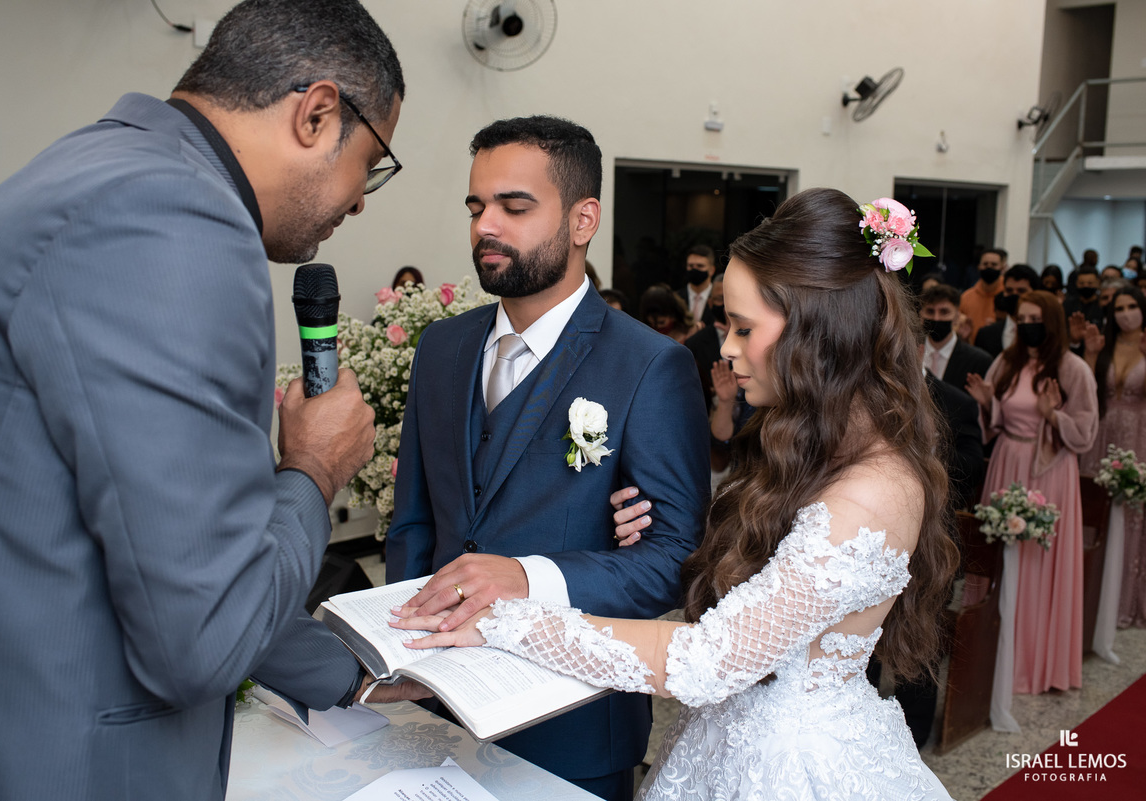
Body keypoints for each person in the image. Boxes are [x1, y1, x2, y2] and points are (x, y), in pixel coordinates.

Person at [0, 3, 418, 799]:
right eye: (370, 164)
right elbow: (203, 636)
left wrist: (355, 674)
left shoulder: (101, 170)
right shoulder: (176, 219)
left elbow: (163, 546)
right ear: (316, 114)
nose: (361, 200)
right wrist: (313, 468)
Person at [398, 188, 959, 800]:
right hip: (731, 742)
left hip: (793, 769)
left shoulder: (874, 492)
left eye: (744, 328)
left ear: (820, 332)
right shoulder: (811, 448)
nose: (727, 347)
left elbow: (707, 661)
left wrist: (506, 621)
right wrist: (637, 534)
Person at [384, 115, 709, 801]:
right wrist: (403, 647)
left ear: (583, 219)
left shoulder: (650, 365)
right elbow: (415, 520)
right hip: (433, 707)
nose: (485, 226)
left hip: (572, 725)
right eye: (476, 206)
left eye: (514, 206)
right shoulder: (442, 347)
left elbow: (673, 559)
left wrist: (527, 577)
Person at [964, 290, 1097, 731]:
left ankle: (1033, 663)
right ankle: (990, 653)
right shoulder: (1007, 362)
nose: (1027, 325)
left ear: (1051, 322)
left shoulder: (1073, 369)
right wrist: (988, 403)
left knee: (1039, 564)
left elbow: (1087, 432)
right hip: (1006, 461)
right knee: (998, 560)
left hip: (1050, 473)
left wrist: (1053, 415)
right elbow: (997, 421)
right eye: (1022, 319)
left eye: (1035, 318)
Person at [1078, 286, 1146, 627]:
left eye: (1132, 306)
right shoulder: (1103, 345)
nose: (1126, 313)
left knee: (1132, 514)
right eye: (1119, 308)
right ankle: (1090, 597)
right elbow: (1087, 393)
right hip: (1101, 435)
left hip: (1138, 437)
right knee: (1096, 509)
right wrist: (1090, 355)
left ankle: (1122, 600)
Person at [919, 283, 993, 392]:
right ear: (921, 316)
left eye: (944, 312)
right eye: (930, 311)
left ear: (957, 317)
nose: (936, 318)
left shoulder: (979, 361)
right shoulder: (908, 354)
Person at [974, 263, 1040, 358]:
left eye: (1021, 291)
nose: (1014, 295)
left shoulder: (1043, 333)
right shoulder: (985, 334)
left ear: (1035, 293)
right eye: (1009, 291)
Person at [684, 273, 729, 411]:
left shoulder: (754, 338)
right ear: (710, 303)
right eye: (720, 299)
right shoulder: (694, 343)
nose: (725, 306)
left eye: (730, 298)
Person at [959, 248, 1006, 342]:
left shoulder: (1007, 295)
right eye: (985, 264)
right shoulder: (966, 297)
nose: (989, 267)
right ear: (979, 267)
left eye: (994, 264)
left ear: (1002, 268)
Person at [682, 244, 718, 325]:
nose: (694, 269)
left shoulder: (721, 300)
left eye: (700, 266)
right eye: (691, 266)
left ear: (712, 270)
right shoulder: (675, 299)